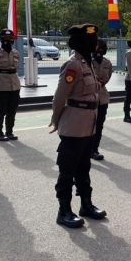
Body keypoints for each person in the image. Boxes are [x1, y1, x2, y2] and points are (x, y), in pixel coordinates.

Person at [49, 23, 105, 228]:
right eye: (91, 40)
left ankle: (86, 204)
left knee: (84, 167)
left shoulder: (87, 63)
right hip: (73, 124)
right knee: (68, 170)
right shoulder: (73, 65)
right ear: (82, 42)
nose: (95, 43)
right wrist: (56, 120)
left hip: (88, 123)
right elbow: (60, 96)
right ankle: (63, 210)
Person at [91, 39, 113, 160]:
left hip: (103, 97)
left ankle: (95, 149)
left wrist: (100, 83)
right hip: (90, 96)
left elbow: (108, 76)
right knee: (89, 126)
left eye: (103, 48)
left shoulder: (107, 63)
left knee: (99, 125)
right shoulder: (87, 61)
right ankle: (87, 149)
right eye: (98, 47)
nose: (100, 50)